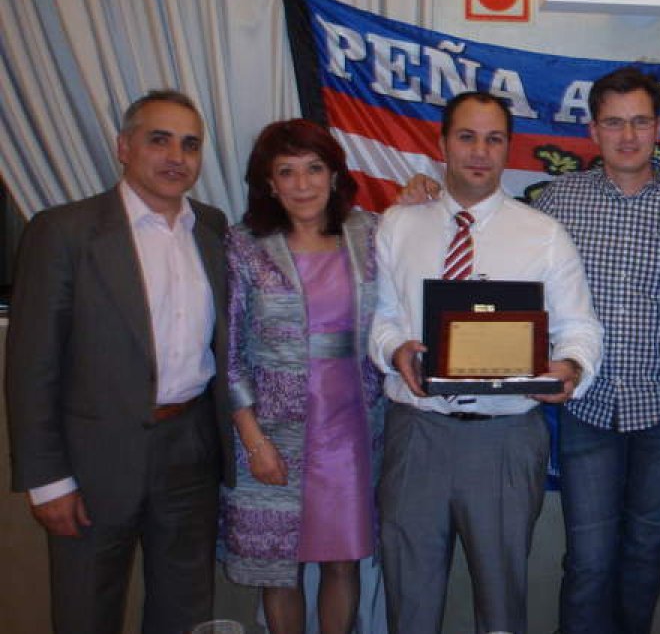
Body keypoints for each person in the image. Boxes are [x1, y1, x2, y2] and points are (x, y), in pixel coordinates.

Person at [369, 90, 603, 634]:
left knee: (501, 606)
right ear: (443, 143)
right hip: (416, 435)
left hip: (504, 440)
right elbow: (382, 318)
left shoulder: (542, 235)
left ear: (508, 149)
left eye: (494, 139)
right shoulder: (398, 226)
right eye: (467, 137)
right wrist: (394, 349)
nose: (480, 151)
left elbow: (580, 328)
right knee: (410, 599)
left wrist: (569, 368)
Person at [5, 89, 233, 633]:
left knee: (185, 609)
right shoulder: (64, 232)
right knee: (88, 610)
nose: (177, 156)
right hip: (93, 460)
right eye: (160, 140)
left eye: (190, 144)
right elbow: (32, 365)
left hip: (190, 450)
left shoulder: (212, 228)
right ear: (124, 147)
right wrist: (47, 480)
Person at [531, 67, 660, 634]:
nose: (628, 136)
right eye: (615, 123)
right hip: (587, 409)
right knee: (589, 562)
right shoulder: (555, 203)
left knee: (646, 555)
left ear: (658, 127)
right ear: (594, 131)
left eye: (640, 121)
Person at [220, 119, 385, 634]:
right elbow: (227, 351)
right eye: (286, 172)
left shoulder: (370, 233)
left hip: (353, 426)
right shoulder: (244, 245)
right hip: (273, 428)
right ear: (269, 184)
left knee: (343, 558)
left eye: (315, 169)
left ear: (335, 174)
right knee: (280, 568)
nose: (303, 184)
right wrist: (253, 440)